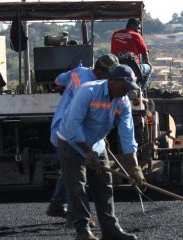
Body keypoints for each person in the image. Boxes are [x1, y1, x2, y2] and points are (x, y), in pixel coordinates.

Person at [57, 64, 145, 240]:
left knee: (104, 186)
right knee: (77, 185)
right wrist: (87, 153)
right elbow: (73, 126)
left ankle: (111, 230)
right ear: (112, 81)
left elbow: (127, 135)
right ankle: (82, 231)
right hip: (71, 142)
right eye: (124, 87)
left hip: (96, 144)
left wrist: (134, 168)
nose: (126, 92)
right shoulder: (87, 91)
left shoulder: (123, 101)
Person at [46, 54, 119, 222]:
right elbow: (85, 116)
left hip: (64, 125)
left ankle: (57, 204)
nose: (111, 78)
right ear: (99, 70)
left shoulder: (79, 71)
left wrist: (64, 89)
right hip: (71, 130)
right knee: (76, 173)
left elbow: (58, 80)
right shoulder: (92, 87)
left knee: (70, 170)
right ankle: (75, 216)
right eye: (109, 74)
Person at [111, 18, 152, 92]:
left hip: (116, 68)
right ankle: (140, 91)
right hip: (133, 68)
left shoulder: (115, 34)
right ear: (132, 26)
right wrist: (147, 62)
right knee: (149, 68)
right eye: (138, 28)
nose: (139, 31)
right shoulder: (136, 35)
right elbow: (144, 52)